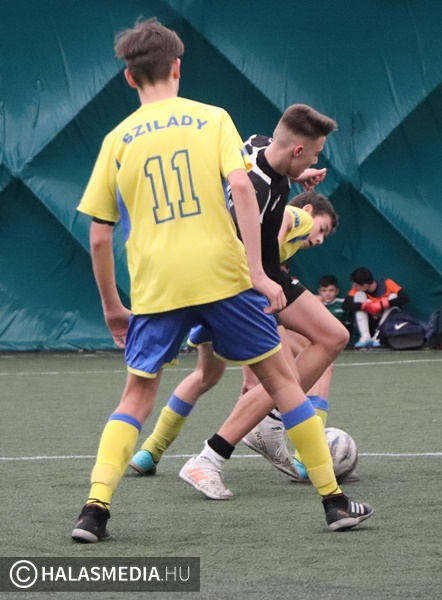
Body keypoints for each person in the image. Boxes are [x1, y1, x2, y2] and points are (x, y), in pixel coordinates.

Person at [71, 18, 372, 542]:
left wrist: (112, 307)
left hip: (157, 284)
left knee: (136, 397)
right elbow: (244, 187)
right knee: (282, 381)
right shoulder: (213, 119)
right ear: (177, 68)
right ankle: (334, 503)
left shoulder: (115, 140)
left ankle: (93, 511)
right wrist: (257, 272)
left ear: (129, 77)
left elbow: (99, 237)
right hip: (223, 276)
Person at [342, 267, 410, 348]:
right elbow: (345, 305)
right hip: (371, 321)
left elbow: (405, 298)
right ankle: (365, 336)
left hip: (388, 321)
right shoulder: (358, 289)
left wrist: (382, 305)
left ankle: (378, 336)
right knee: (359, 295)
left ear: (365, 286)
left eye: (356, 285)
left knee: (393, 296)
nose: (353, 286)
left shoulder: (387, 283)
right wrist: (364, 306)